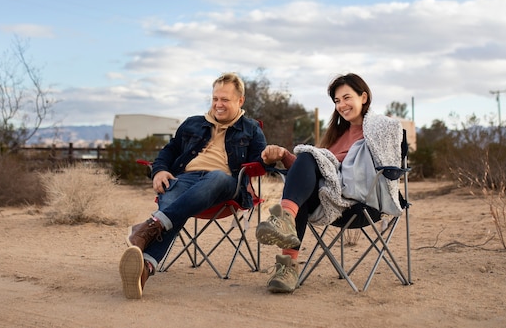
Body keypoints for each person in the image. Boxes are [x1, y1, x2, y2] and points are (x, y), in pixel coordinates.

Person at [119, 72, 267, 299]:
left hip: (226, 185)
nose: (218, 104)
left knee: (215, 177)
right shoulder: (193, 123)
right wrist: (159, 170)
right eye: (215, 98)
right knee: (173, 192)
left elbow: (260, 163)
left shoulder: (251, 129)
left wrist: (270, 157)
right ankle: (144, 268)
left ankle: (150, 226)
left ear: (240, 101)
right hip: (186, 179)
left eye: (225, 100)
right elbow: (169, 151)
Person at [255, 73, 404, 293]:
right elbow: (313, 172)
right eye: (336, 101)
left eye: (346, 98)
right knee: (304, 172)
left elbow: (388, 163)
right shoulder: (337, 135)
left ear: (363, 97)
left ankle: (285, 222)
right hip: (330, 197)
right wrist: (285, 155)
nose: (341, 105)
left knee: (307, 160)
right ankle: (287, 267)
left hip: (363, 203)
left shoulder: (379, 130)